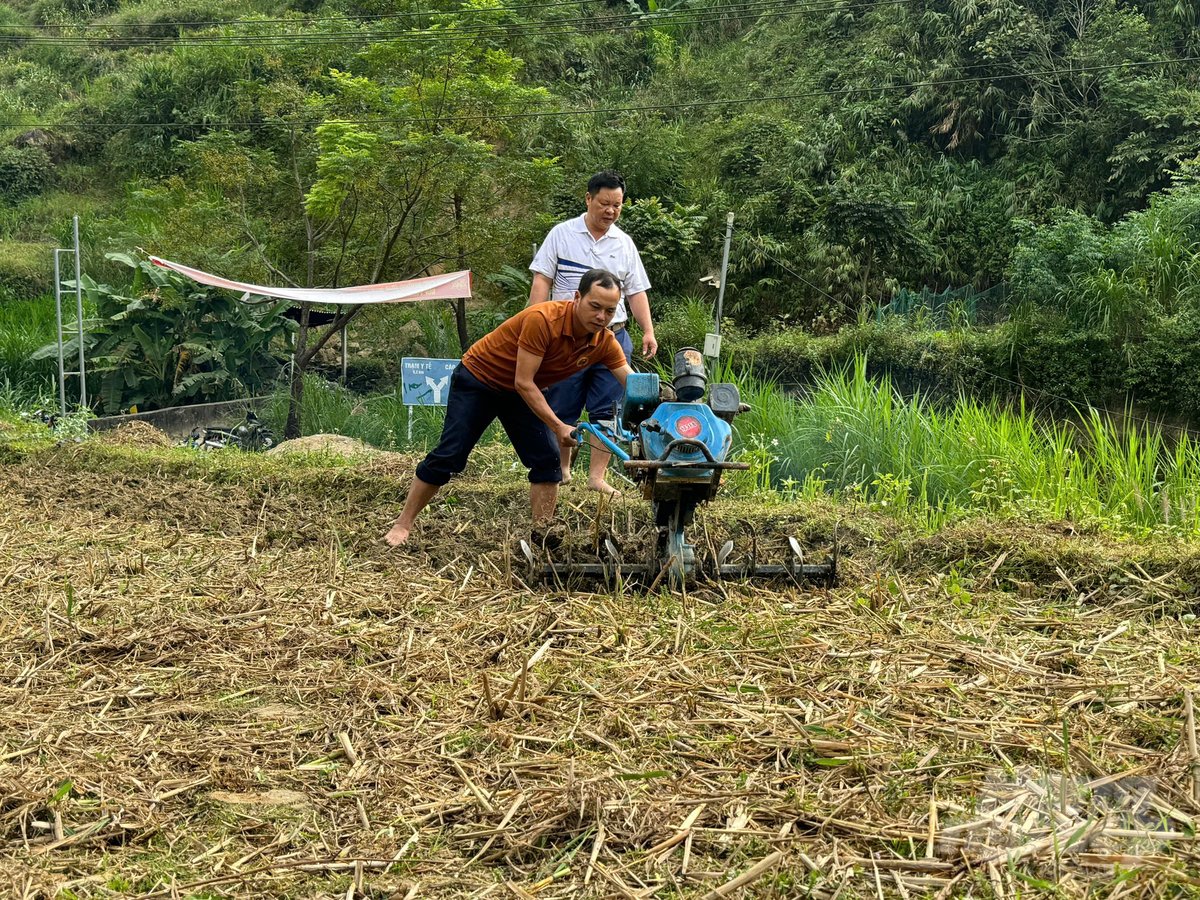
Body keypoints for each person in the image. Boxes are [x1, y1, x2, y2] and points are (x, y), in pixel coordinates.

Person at [383, 269, 632, 547]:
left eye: (609, 311)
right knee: (450, 455)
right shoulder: (544, 320)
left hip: (521, 393)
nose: (601, 317)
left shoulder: (605, 342)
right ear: (577, 298)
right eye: (594, 306)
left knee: (547, 462)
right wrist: (558, 425)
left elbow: (631, 383)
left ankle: (543, 536)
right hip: (480, 380)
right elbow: (523, 381)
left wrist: (657, 403)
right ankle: (402, 524)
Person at [529, 170, 657, 497]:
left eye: (617, 205)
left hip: (612, 338)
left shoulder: (624, 243)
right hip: (565, 338)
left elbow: (637, 291)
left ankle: (597, 477)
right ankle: (562, 469)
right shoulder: (561, 234)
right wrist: (533, 322)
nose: (610, 211)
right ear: (588, 199)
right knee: (561, 404)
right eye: (604, 203)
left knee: (610, 409)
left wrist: (648, 330)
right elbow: (542, 281)